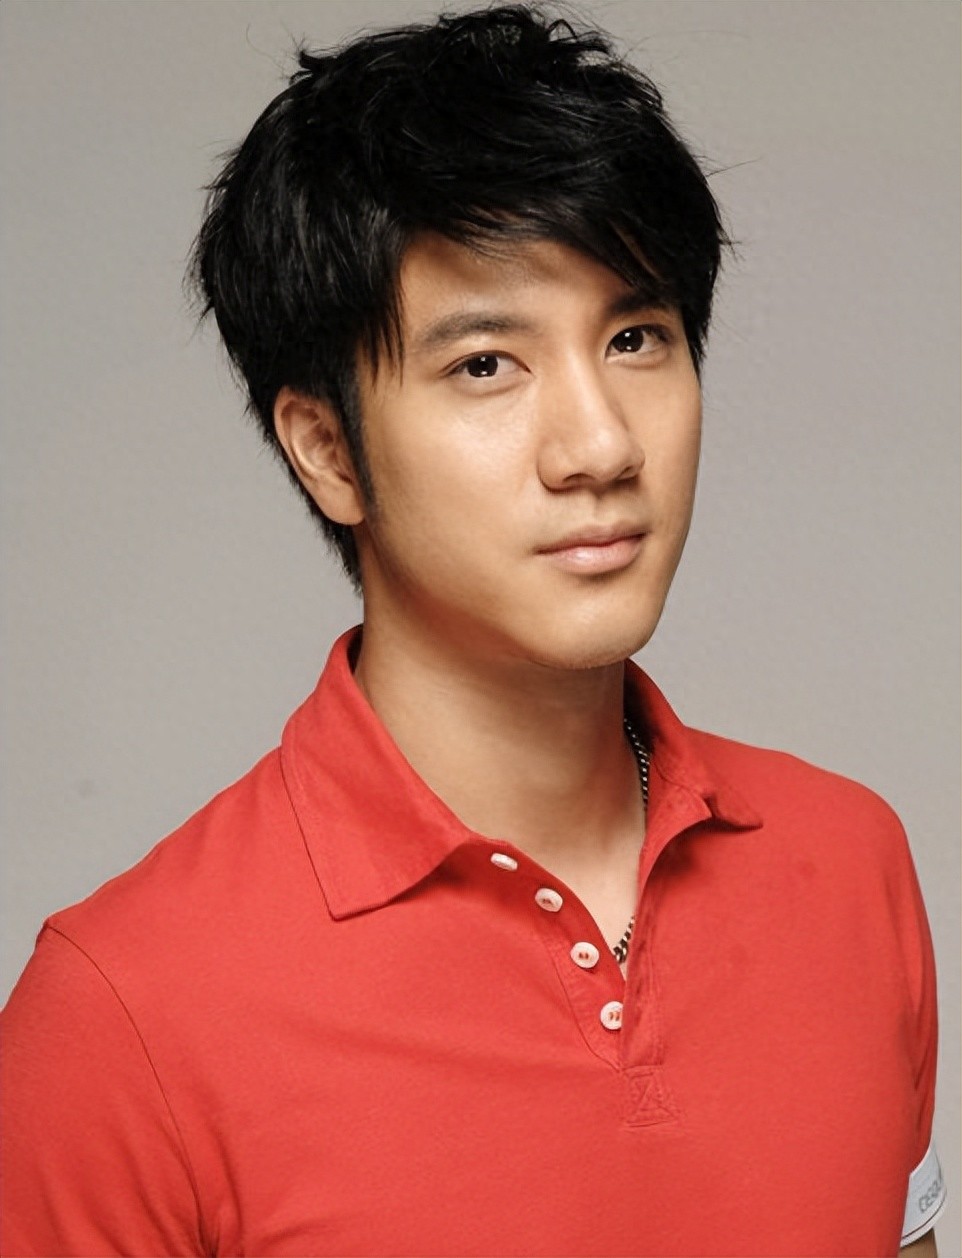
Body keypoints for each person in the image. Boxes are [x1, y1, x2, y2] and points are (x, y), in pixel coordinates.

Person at [0, 5, 945, 1256]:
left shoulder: (849, 865)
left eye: (634, 338)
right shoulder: (122, 1012)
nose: (599, 445)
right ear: (327, 450)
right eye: (486, 365)